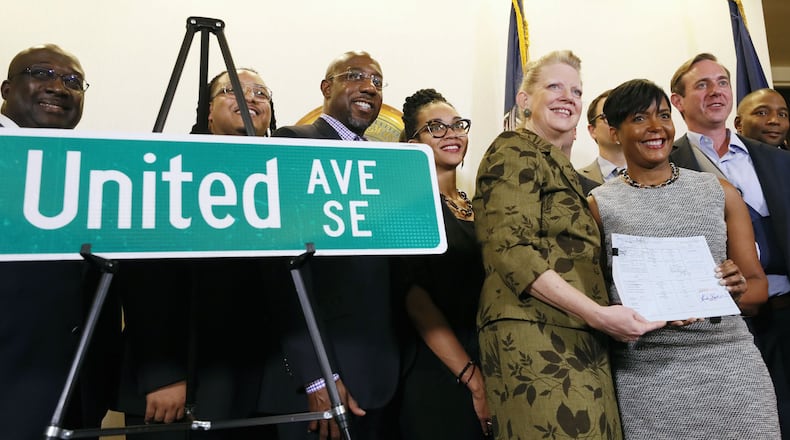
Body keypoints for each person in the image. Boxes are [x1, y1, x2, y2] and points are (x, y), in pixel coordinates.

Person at [472, 50, 664, 440]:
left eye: (576, 91)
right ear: (524, 100)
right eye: (554, 86)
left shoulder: (564, 171)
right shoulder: (514, 149)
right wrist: (597, 315)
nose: (568, 97)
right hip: (534, 333)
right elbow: (511, 251)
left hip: (581, 334)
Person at [589, 78, 779, 439]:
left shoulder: (717, 191)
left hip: (731, 365)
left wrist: (734, 291)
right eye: (639, 119)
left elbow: (757, 288)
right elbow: (598, 301)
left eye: (663, 115)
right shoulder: (598, 205)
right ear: (614, 132)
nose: (656, 128)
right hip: (648, 375)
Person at [116, 68, 278, 439]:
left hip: (254, 387)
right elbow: (144, 277)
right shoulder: (172, 163)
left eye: (260, 93)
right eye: (233, 90)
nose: (250, 97)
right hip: (178, 384)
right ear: (207, 110)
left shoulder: (277, 173)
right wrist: (163, 375)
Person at [259, 50, 399, 440]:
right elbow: (284, 272)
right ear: (326, 87)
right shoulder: (292, 142)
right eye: (355, 76)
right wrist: (318, 375)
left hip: (381, 377)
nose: (370, 87)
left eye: (377, 81)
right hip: (323, 379)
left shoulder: (385, 165)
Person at [0, 44, 122, 439]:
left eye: (72, 81)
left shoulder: (97, 171)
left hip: (74, 397)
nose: (58, 87)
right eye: (41, 74)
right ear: (6, 88)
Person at [668, 53, 790, 437]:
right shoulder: (668, 164)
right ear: (678, 101)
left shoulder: (777, 161)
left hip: (786, 314)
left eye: (722, 82)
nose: (716, 91)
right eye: (702, 85)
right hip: (720, 323)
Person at [396, 89, 491, 439]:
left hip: (489, 358)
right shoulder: (409, 209)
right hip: (438, 370)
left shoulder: (479, 205)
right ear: (411, 143)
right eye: (435, 128)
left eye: (457, 125)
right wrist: (474, 381)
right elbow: (416, 301)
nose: (451, 134)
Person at [578, 89, 626, 185]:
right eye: (608, 117)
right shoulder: (576, 179)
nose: (618, 122)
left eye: (623, 115)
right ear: (592, 130)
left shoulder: (656, 175)